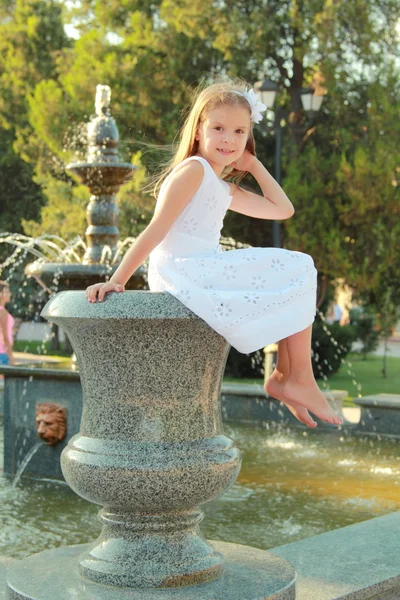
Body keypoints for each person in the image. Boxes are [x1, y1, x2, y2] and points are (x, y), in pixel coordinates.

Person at [85, 80, 342, 429]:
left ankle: (289, 376)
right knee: (297, 266)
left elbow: (283, 209)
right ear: (198, 130)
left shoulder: (221, 185)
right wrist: (117, 280)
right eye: (218, 128)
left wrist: (253, 166)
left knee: (299, 268)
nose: (228, 139)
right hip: (184, 267)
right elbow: (157, 229)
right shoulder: (194, 170)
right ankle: (294, 378)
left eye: (239, 131)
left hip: (202, 265)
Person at [0, 281, 15, 366]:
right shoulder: (2, 312)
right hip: (2, 353)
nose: (9, 294)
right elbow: (5, 337)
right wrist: (10, 355)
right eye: (7, 292)